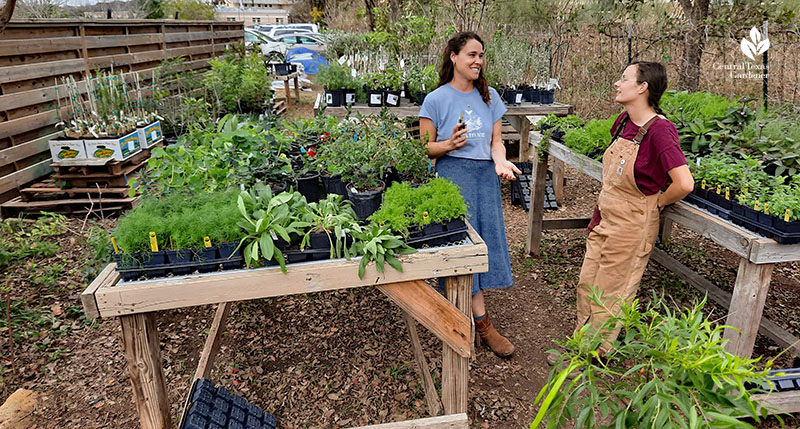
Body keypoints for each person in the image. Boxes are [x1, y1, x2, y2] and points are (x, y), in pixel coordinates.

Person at [570, 61, 694, 359]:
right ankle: (581, 342)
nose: (617, 83)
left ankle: (595, 354)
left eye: (624, 78)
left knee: (612, 291)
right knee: (588, 282)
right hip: (606, 217)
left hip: (632, 225)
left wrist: (659, 203)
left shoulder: (661, 131)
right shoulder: (623, 123)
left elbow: (684, 183)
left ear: (642, 87)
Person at [418, 32, 521, 357]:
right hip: (452, 180)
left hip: (483, 181)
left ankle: (471, 322)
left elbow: (496, 142)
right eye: (471, 54)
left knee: (482, 245)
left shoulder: (488, 97)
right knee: (459, 249)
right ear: (453, 57)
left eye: (481, 55)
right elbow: (423, 149)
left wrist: (502, 162)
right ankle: (477, 324)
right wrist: (448, 144)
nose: (478, 61)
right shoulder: (435, 100)